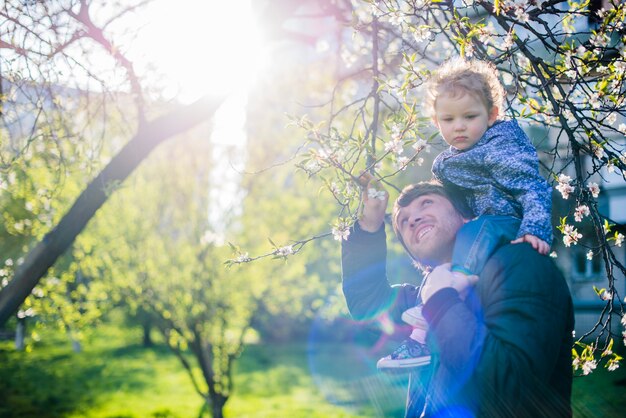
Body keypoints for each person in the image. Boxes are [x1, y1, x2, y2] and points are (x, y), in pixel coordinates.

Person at [378, 58, 554, 370]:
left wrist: (535, 228)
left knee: (473, 233)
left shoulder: (502, 145)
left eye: (470, 116)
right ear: (436, 122)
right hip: (479, 230)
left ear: (492, 115)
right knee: (442, 265)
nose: (459, 126)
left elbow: (532, 186)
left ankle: (453, 284)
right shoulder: (450, 160)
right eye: (448, 119)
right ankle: (418, 341)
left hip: (505, 221)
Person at [342, 181, 573, 417]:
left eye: (426, 203)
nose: (412, 219)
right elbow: (366, 302)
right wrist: (370, 223)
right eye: (403, 221)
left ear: (465, 215)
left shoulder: (519, 262)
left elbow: (511, 390)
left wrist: (442, 304)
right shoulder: (423, 299)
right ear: (414, 256)